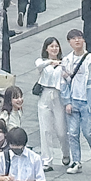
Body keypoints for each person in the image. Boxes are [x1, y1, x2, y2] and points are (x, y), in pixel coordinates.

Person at [60, 29, 91, 173]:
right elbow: (63, 83)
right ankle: (76, 161)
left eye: (79, 38)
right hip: (73, 100)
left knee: (88, 132)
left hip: (88, 102)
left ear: (84, 40)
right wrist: (67, 101)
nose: (77, 41)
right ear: (69, 42)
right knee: (72, 133)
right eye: (73, 39)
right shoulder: (66, 60)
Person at [32, 38, 65, 171]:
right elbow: (39, 66)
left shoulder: (64, 63)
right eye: (51, 46)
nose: (54, 49)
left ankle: (66, 153)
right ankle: (47, 160)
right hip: (45, 94)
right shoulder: (42, 62)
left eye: (56, 46)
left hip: (59, 96)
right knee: (45, 129)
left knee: (61, 129)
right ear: (46, 48)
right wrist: (51, 62)